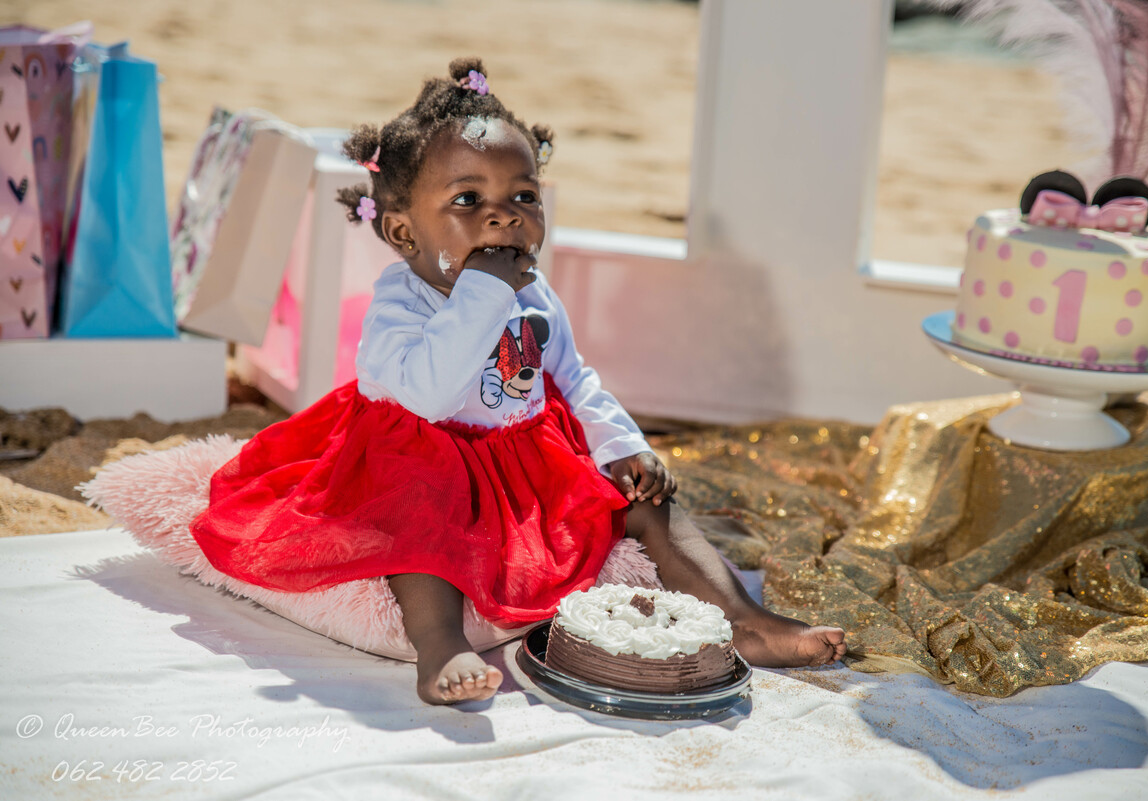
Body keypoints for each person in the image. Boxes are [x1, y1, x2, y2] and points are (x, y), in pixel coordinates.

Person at [190, 58, 846, 705]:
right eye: (468, 200)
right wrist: (483, 291)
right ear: (403, 231)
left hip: (523, 459)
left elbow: (573, 378)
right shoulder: (398, 305)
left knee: (649, 502)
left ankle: (743, 619)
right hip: (422, 461)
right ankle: (440, 645)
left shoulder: (533, 291)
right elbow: (428, 395)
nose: (504, 217)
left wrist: (622, 445)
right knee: (417, 522)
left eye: (523, 197)